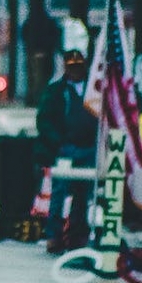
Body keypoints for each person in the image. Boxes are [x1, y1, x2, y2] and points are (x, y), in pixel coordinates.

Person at [34, 48, 99, 255]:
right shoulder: (56, 90)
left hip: (88, 148)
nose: (75, 72)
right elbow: (44, 119)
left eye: (79, 67)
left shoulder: (95, 89)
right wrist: (57, 143)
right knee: (59, 192)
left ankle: (77, 235)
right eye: (72, 68)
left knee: (82, 193)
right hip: (65, 148)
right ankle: (53, 235)